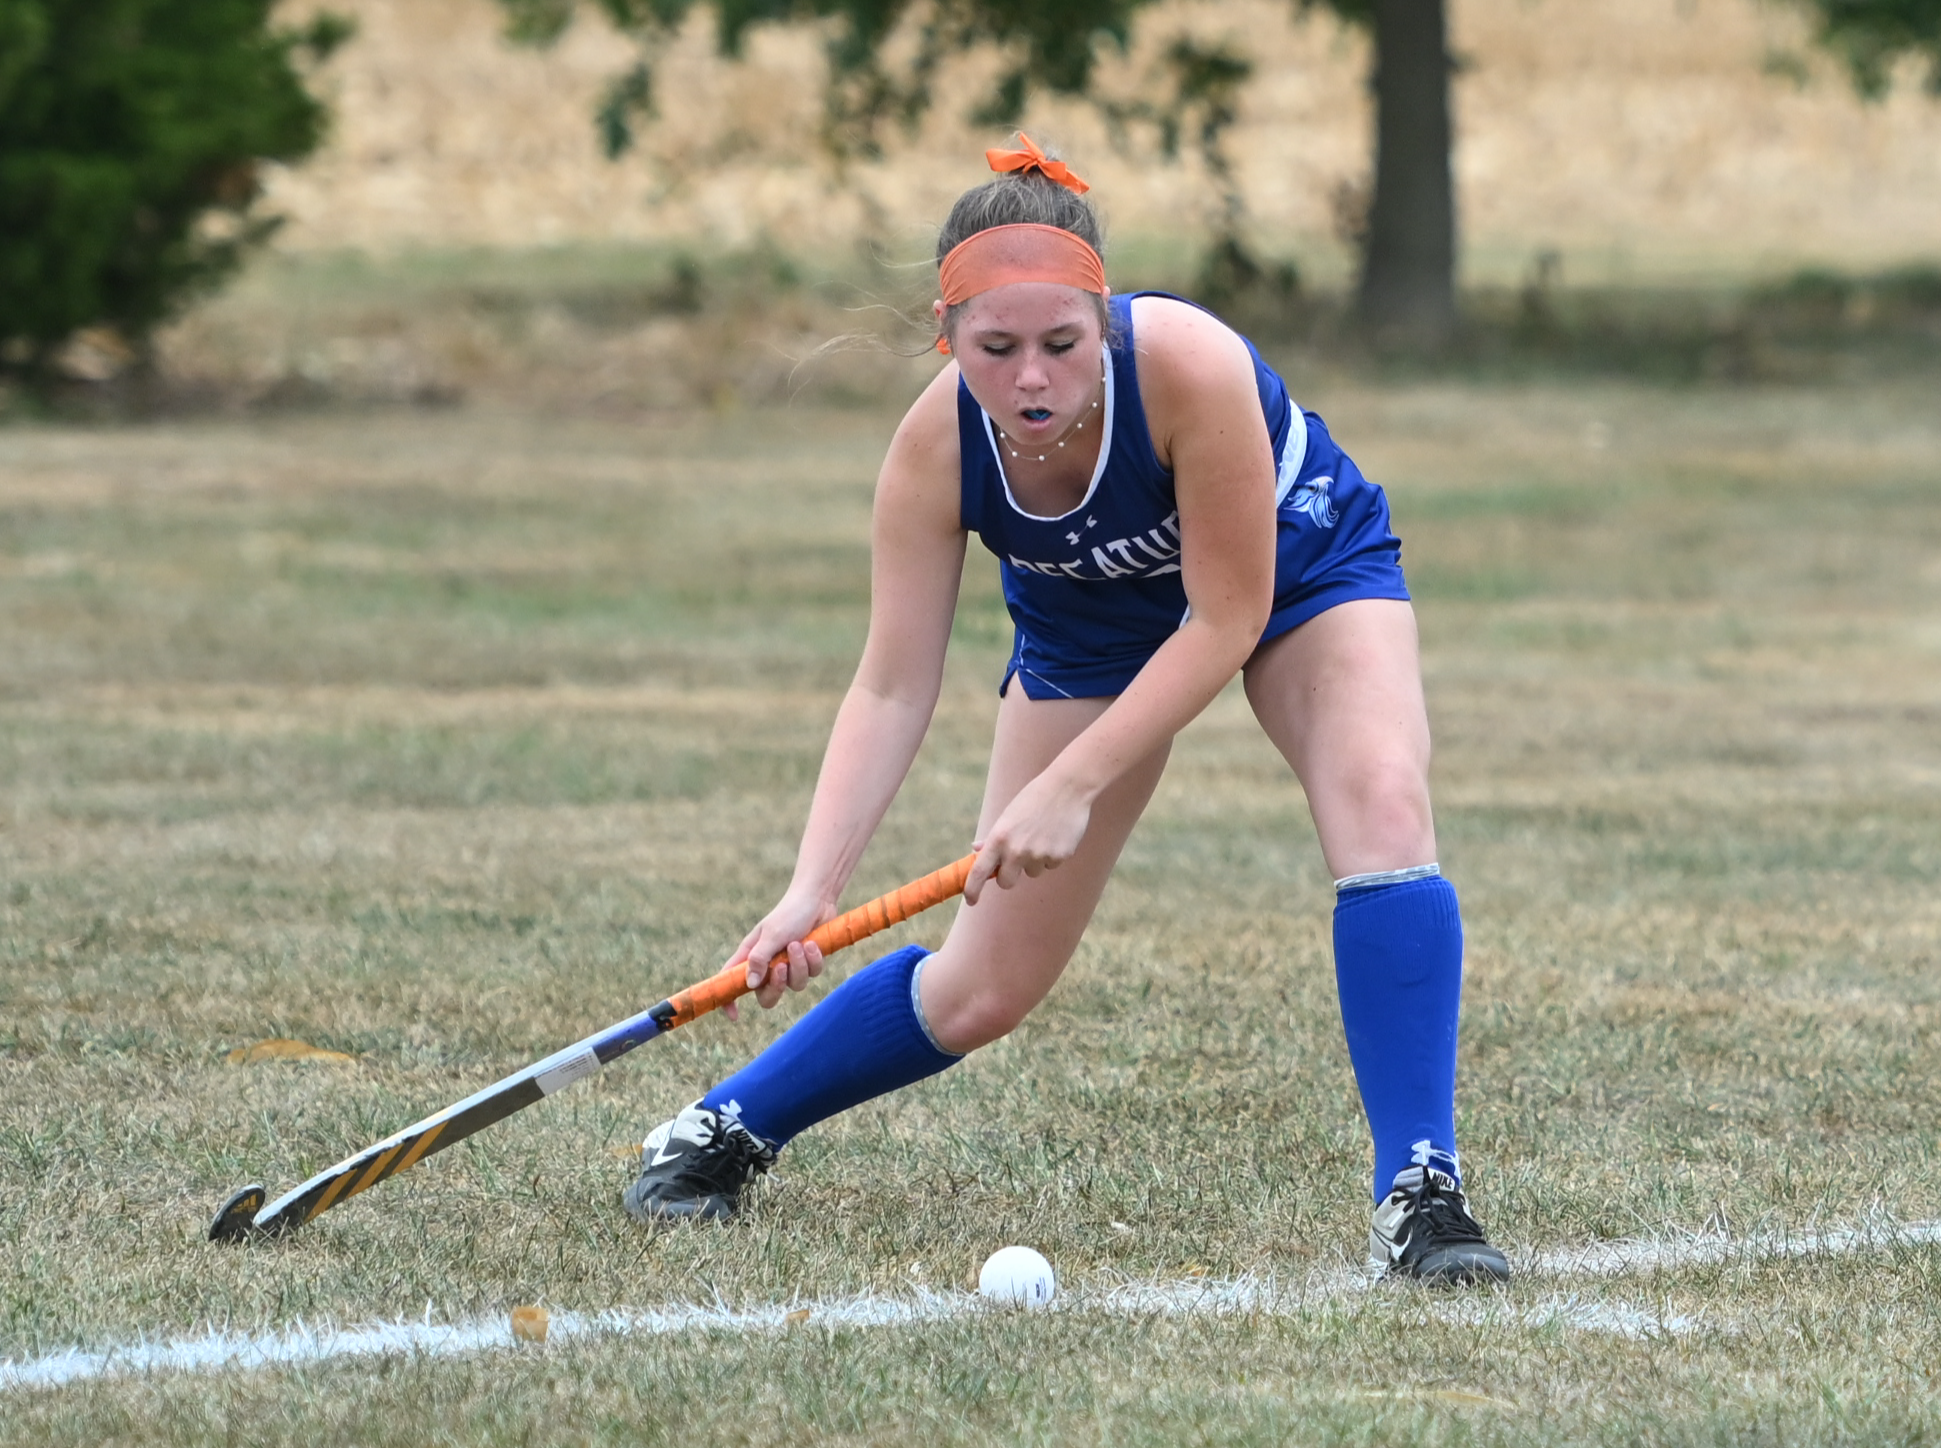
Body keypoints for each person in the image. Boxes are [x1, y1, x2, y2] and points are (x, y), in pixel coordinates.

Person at [624, 136, 1509, 1285]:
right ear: (949, 343)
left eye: (1061, 343)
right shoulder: (935, 449)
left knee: (1382, 803)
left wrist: (1071, 782)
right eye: (996, 349)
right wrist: (812, 885)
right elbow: (893, 680)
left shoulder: (1188, 365)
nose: (1032, 377)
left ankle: (1422, 1191)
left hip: (1294, 574)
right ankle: (721, 1128)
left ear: (1108, 320)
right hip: (1089, 631)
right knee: (985, 986)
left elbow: (1225, 620)